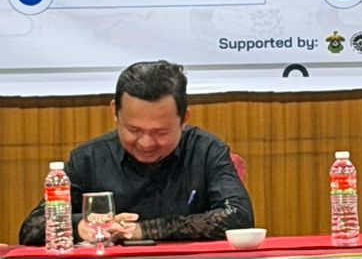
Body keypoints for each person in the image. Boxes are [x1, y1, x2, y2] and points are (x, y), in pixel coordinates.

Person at [17, 60, 254, 245]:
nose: (146, 143)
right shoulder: (89, 159)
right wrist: (81, 226)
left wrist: (144, 230)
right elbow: (32, 227)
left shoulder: (206, 151)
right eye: (133, 130)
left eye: (161, 132)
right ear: (115, 112)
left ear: (184, 119)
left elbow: (239, 217)